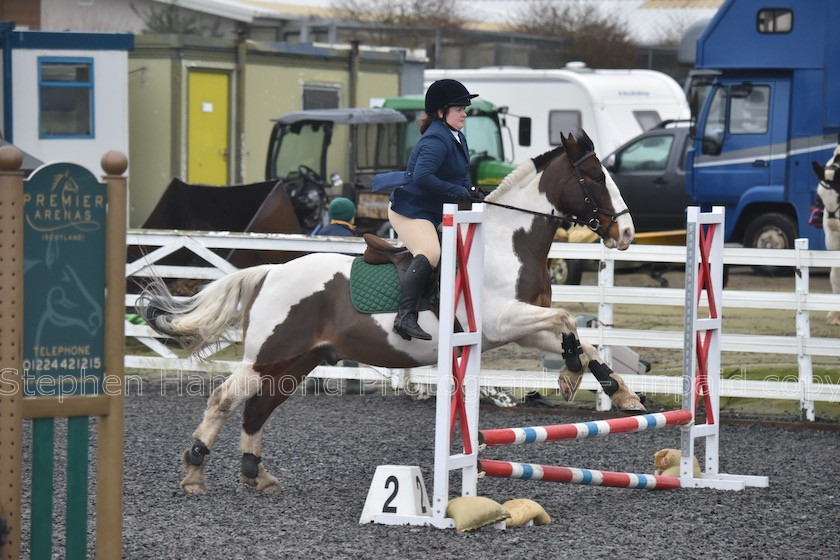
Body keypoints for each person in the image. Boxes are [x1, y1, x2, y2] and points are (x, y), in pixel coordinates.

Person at [387, 79, 485, 341]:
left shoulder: (457, 137)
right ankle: (405, 316)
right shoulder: (435, 140)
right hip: (411, 209)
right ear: (441, 112)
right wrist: (459, 192)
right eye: (459, 108)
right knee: (430, 251)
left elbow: (460, 177)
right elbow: (422, 177)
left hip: (433, 209)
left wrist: (473, 192)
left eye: (465, 107)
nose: (465, 112)